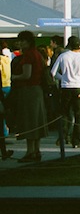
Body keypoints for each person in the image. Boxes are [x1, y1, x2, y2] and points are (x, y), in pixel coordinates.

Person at [10, 31, 48, 162]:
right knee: (36, 122)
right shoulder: (38, 54)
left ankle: (30, 151)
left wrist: (13, 77)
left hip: (28, 90)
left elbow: (26, 75)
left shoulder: (28, 55)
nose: (19, 43)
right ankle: (36, 150)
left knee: (28, 122)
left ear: (27, 41)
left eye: (22, 41)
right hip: (37, 90)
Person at [50, 36, 80, 148]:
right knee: (79, 115)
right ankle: (76, 140)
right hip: (78, 86)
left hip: (65, 87)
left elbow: (53, 72)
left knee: (64, 114)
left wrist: (63, 77)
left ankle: (63, 137)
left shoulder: (63, 56)